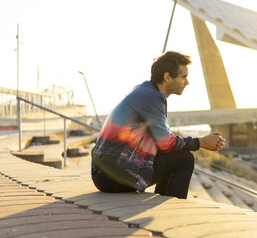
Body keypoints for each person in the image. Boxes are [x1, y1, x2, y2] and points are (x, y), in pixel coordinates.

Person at [91, 51, 225, 199]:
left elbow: (164, 142)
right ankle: (173, 209)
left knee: (175, 155)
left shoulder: (144, 90)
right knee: (185, 158)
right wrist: (201, 142)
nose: (187, 82)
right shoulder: (152, 98)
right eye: (184, 77)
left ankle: (163, 200)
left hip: (105, 172)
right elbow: (166, 143)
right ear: (167, 77)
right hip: (112, 176)